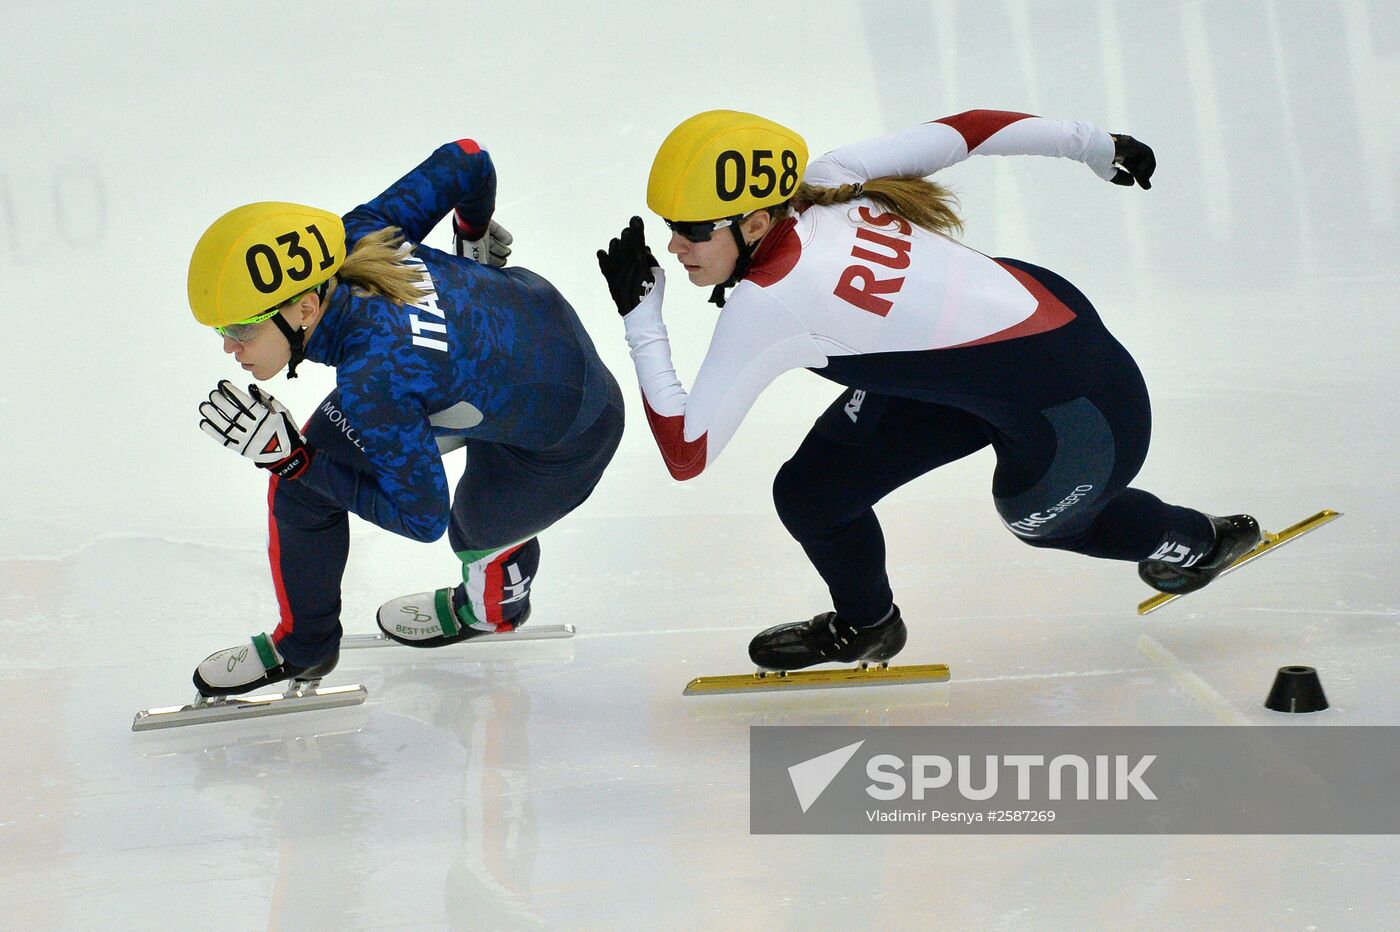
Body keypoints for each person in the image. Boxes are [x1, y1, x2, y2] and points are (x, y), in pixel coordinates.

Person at [597, 109, 1259, 672]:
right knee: (812, 495)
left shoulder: (770, 302)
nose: (674, 246)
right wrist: (1095, 146)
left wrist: (642, 323)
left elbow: (687, 455)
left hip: (1079, 412)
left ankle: (1197, 542)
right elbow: (968, 130)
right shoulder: (831, 177)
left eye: (692, 230)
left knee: (1039, 519)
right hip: (1027, 339)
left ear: (759, 221)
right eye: (673, 228)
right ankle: (870, 624)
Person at [186, 138, 624, 696]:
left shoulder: (376, 380)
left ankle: (494, 606)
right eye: (220, 330)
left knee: (473, 527)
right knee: (304, 486)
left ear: (304, 308)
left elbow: (423, 518)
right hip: (518, 346)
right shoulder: (360, 233)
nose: (229, 346)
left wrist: (294, 458)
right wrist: (472, 238)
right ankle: (307, 645)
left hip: (569, 432)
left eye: (241, 327)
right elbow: (467, 158)